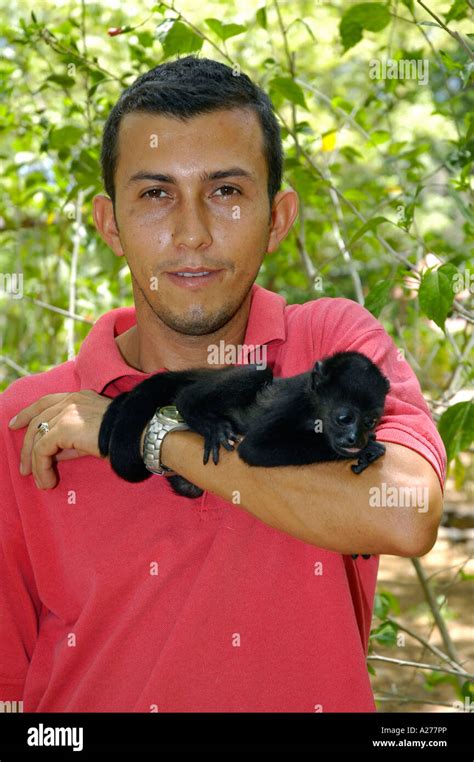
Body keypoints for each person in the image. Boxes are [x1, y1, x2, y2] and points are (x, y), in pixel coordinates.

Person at [0, 55, 446, 713]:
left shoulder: (329, 345)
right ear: (109, 223)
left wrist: (148, 435)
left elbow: (407, 515)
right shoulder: (30, 415)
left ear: (279, 217)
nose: (191, 233)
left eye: (226, 191)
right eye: (156, 194)